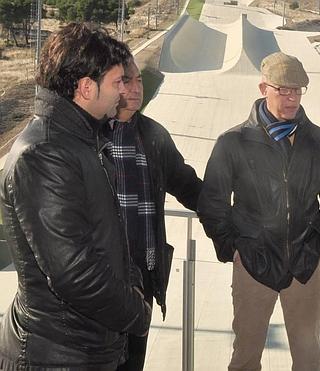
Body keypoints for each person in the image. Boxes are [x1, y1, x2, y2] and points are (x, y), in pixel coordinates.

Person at [0, 23, 152, 369]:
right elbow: (74, 273)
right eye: (117, 83)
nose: (124, 93)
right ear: (86, 87)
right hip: (57, 355)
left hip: (84, 347)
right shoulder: (44, 154)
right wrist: (136, 313)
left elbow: (108, 239)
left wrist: (133, 283)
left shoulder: (82, 141)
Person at [198, 52, 320, 371]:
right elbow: (213, 202)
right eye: (283, 89)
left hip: (305, 265)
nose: (291, 97)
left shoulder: (319, 141)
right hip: (253, 263)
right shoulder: (233, 142)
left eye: (297, 90)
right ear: (263, 87)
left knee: (309, 359)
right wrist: (231, 248)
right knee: (246, 356)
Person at [105, 57, 202, 371]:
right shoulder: (90, 137)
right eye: (126, 82)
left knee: (133, 363)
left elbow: (186, 184)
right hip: (100, 280)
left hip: (144, 277)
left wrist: (233, 214)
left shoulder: (152, 135)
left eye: (139, 82)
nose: (135, 90)